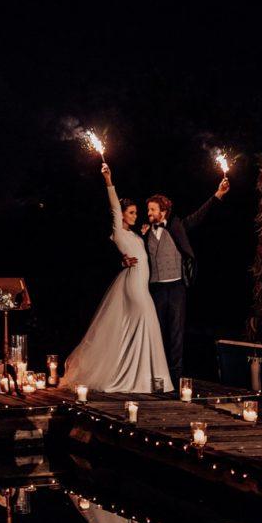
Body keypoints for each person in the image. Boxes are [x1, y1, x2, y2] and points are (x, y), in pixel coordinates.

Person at [60, 163, 173, 394]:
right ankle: (131, 377)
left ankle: (146, 379)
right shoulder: (118, 232)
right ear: (121, 215)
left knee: (143, 326)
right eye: (131, 212)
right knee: (144, 318)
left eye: (135, 212)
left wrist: (142, 234)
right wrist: (109, 181)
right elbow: (113, 206)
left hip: (141, 284)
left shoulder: (135, 234)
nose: (135, 215)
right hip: (133, 285)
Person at [123, 177, 230, 391]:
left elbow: (200, 216)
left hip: (177, 287)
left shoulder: (177, 225)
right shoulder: (144, 234)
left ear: (163, 212)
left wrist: (217, 195)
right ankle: (157, 379)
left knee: (176, 335)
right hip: (156, 289)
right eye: (149, 210)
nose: (149, 213)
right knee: (157, 334)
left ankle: (175, 379)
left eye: (153, 210)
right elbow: (128, 248)